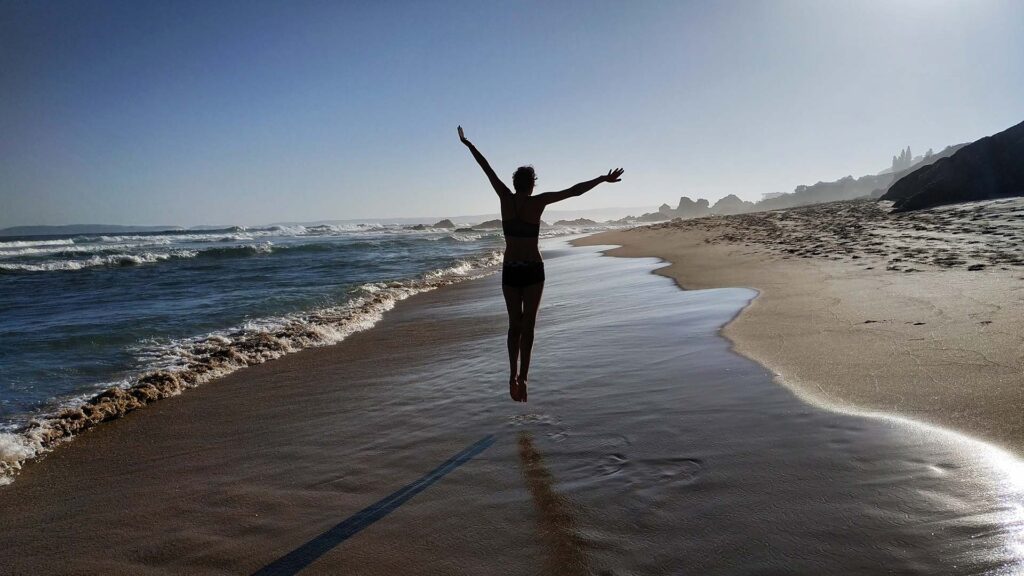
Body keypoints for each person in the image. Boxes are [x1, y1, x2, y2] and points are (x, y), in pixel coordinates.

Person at [458, 126, 624, 402]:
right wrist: (602, 179)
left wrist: (468, 144)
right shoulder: (539, 202)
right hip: (533, 270)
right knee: (529, 326)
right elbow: (574, 191)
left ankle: (511, 375)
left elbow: (485, 167)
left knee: (514, 325)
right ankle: (524, 377)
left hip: (511, 269)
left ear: (514, 183)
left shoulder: (504, 197)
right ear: (532, 183)